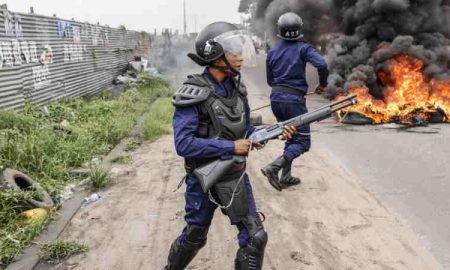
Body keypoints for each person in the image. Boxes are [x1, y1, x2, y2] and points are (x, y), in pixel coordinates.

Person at [165, 22, 296, 270]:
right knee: (194, 237)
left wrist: (273, 132)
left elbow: (245, 130)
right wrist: (230, 147)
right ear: (214, 55)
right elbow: (183, 144)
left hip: (234, 177)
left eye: (240, 50)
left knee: (255, 238)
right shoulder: (193, 92)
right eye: (234, 52)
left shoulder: (238, 87)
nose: (241, 56)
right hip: (202, 180)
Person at [262, 12, 329, 191]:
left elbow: (270, 80)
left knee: (290, 134)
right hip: (294, 101)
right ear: (299, 29)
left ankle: (286, 176)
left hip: (276, 98)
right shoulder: (303, 48)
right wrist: (322, 85)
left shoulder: (273, 50)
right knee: (303, 142)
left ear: (280, 30)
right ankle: (274, 167)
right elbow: (322, 65)